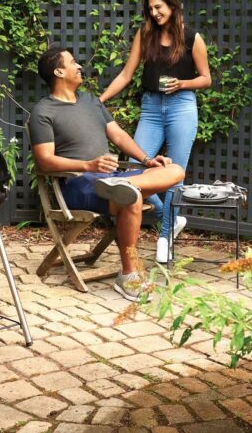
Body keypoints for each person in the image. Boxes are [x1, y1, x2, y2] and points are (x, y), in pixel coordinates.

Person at [30, 45, 184, 301]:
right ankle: (129, 275)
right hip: (78, 184)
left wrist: (147, 160)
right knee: (131, 197)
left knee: (174, 170)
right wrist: (88, 166)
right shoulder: (43, 112)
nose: (79, 66)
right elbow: (45, 162)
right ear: (58, 71)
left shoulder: (91, 101)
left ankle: (127, 186)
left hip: (112, 180)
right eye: (72, 62)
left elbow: (119, 136)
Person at [99, 0, 211, 263]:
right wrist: (98, 102)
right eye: (150, 8)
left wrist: (183, 83)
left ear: (172, 6)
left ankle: (164, 236)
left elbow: (206, 78)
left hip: (181, 107)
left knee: (173, 173)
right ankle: (168, 219)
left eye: (159, 7)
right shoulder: (145, 34)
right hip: (151, 108)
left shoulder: (192, 38)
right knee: (135, 170)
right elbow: (126, 74)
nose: (154, 12)